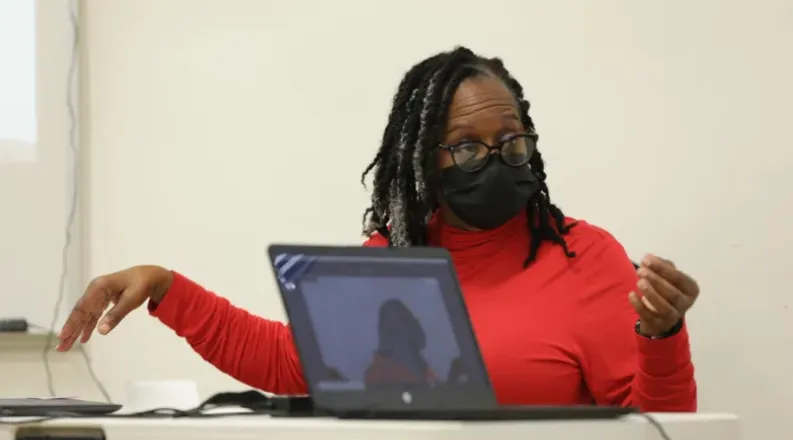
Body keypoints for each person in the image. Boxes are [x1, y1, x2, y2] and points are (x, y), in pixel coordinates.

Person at [57, 46, 700, 411]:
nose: (497, 158)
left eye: (511, 140)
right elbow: (292, 364)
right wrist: (165, 287)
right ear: (426, 161)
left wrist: (661, 333)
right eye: (468, 148)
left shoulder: (585, 256)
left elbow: (655, 425)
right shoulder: (396, 258)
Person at [364, 299, 438, 387]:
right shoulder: (379, 375)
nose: (414, 327)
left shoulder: (420, 367)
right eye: (405, 320)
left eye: (411, 320)